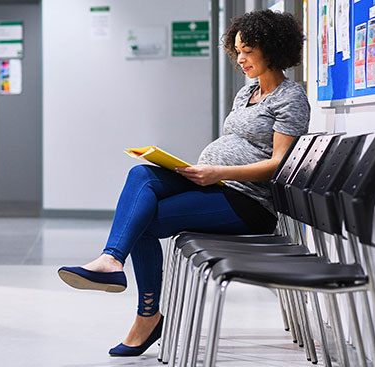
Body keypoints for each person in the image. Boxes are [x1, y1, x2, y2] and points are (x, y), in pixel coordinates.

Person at [58, 9, 310, 357]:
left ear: (272, 48)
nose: (240, 59)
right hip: (215, 187)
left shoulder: (290, 97)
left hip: (248, 204)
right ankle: (111, 261)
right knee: (142, 173)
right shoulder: (246, 93)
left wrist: (216, 172)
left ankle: (145, 314)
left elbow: (278, 165)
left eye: (247, 50)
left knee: (143, 222)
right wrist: (198, 170)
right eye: (236, 51)